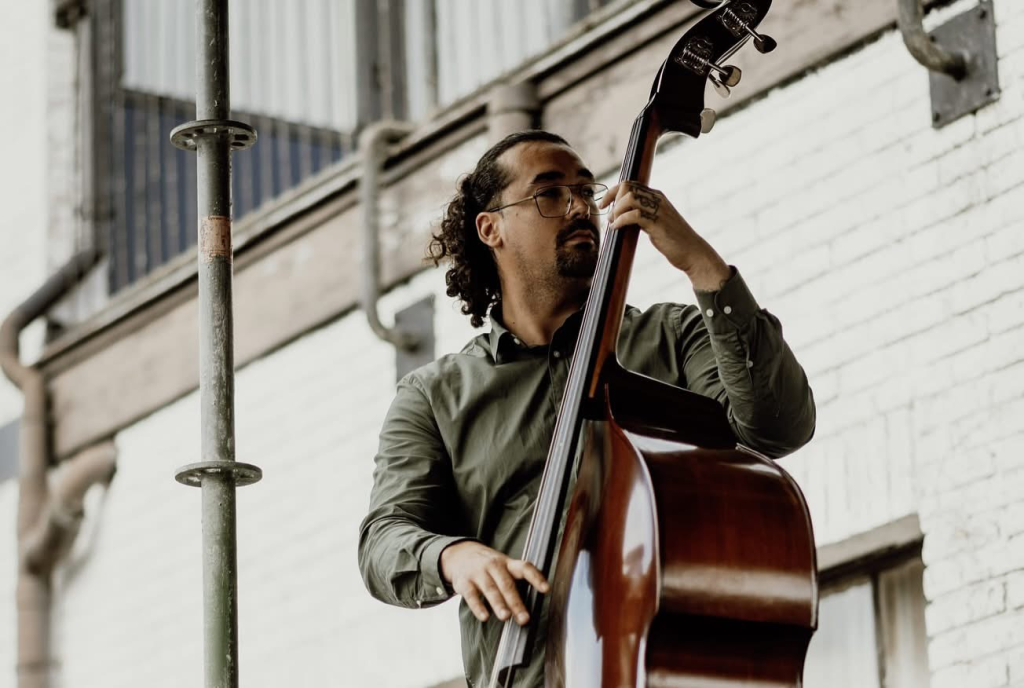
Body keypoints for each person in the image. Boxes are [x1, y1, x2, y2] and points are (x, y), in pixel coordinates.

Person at [358, 130, 815, 687]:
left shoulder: (673, 338)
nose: (579, 207)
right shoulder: (434, 396)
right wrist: (454, 557)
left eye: (584, 189)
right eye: (549, 193)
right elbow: (383, 541)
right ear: (491, 228)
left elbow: (778, 426)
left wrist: (702, 265)